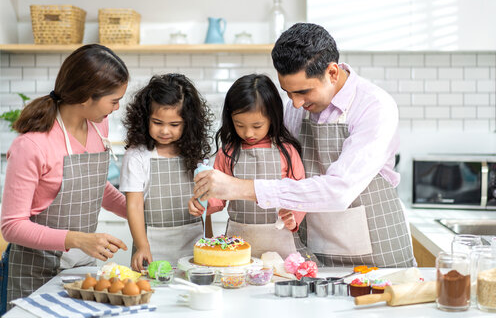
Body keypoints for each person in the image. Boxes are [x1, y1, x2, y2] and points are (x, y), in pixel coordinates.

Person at [193, 23, 415, 268]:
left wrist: (240, 188)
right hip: (316, 249)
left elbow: (338, 190)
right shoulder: (297, 108)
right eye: (288, 93)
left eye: (303, 92)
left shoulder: (375, 106)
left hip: (376, 249)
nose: (296, 104)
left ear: (332, 72)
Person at [0, 44, 130, 304]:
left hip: (80, 267)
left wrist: (137, 210)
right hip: (33, 271)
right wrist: (78, 239)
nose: (117, 108)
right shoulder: (32, 145)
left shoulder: (98, 124)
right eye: (114, 100)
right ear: (85, 97)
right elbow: (11, 227)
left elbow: (95, 186)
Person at [188, 74, 315, 260]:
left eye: (257, 125)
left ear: (272, 118)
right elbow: (217, 198)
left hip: (280, 243)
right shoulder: (227, 153)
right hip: (238, 243)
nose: (248, 133)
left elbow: (300, 192)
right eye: (239, 125)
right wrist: (202, 204)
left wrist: (293, 216)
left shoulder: (287, 151)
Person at [120, 73, 213, 271]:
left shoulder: (196, 156)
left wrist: (210, 243)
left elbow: (205, 205)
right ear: (145, 118)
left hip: (194, 250)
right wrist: (142, 246)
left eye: (174, 125)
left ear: (188, 123)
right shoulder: (137, 156)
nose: (165, 131)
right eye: (157, 122)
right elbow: (134, 206)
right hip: (151, 251)